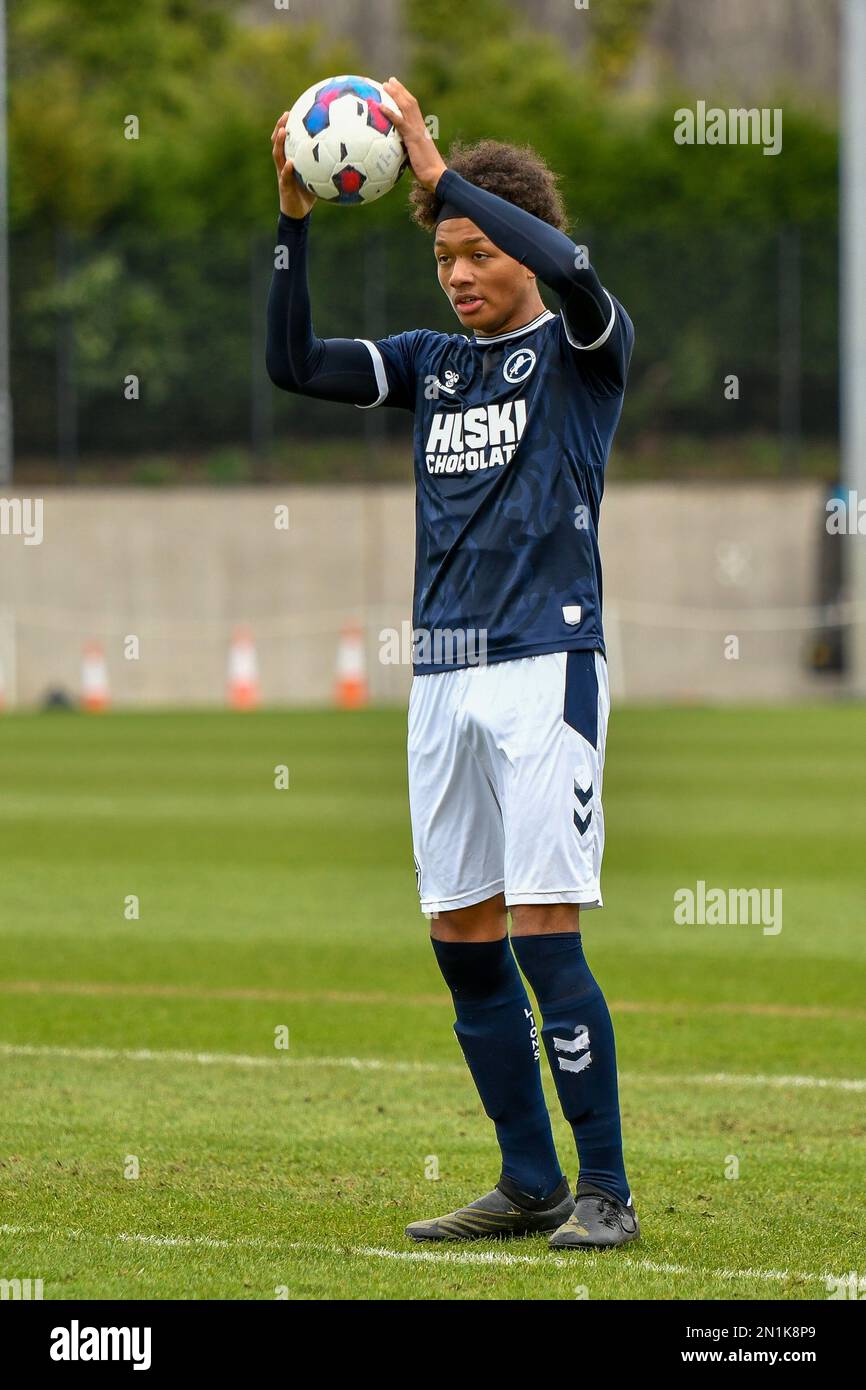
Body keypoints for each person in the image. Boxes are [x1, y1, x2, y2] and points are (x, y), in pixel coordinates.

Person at [266, 77, 638, 1250]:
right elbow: (293, 365)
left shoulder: (584, 345)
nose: (461, 275)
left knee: (543, 937)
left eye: (477, 252)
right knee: (460, 943)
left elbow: (567, 264)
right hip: (442, 672)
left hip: (544, 665)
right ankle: (527, 1182)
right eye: (443, 259)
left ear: (517, 243)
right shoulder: (431, 362)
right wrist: (291, 224)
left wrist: (439, 178)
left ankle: (606, 1192)